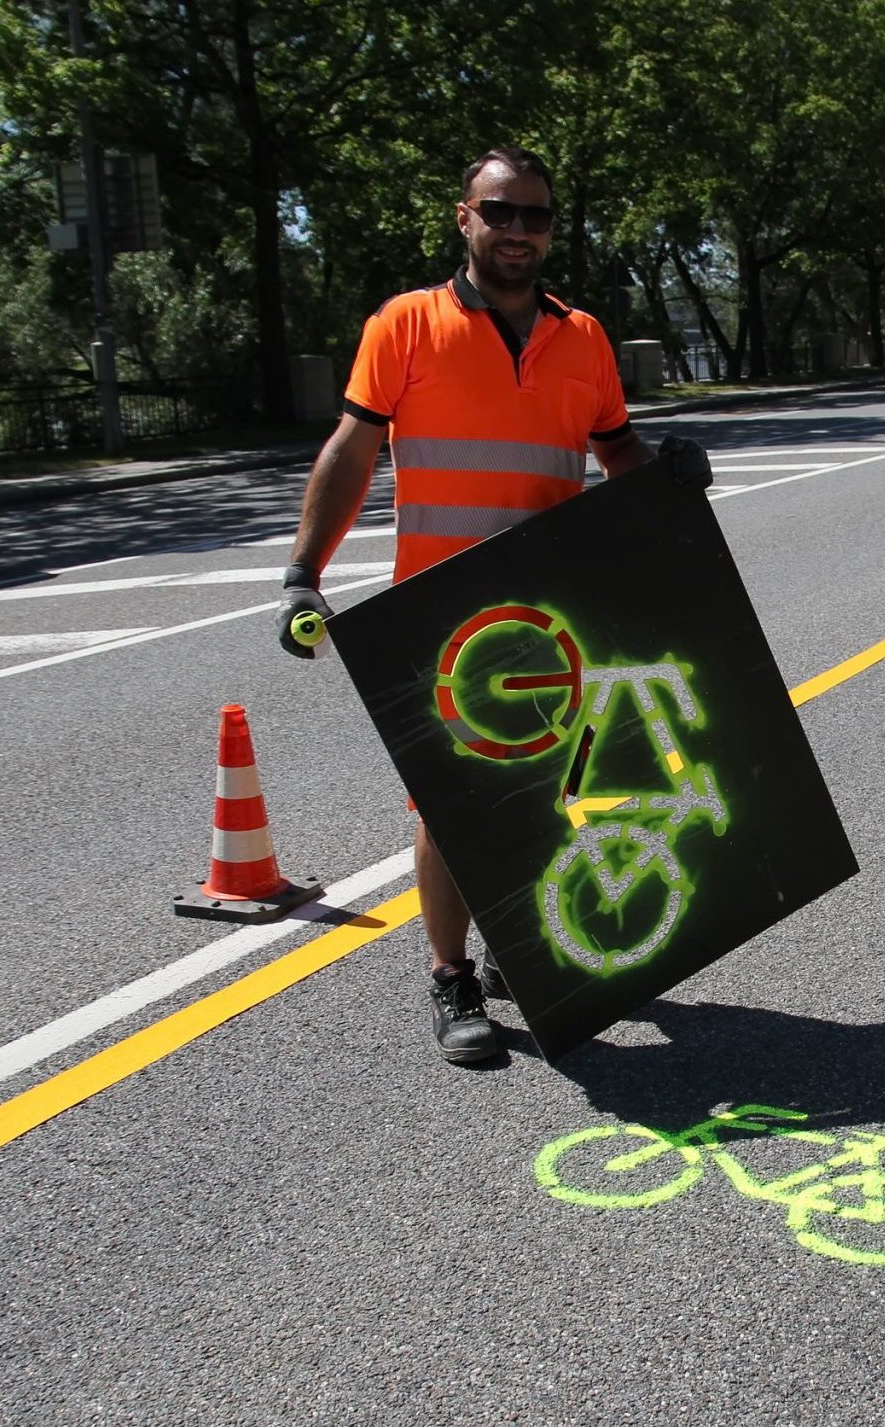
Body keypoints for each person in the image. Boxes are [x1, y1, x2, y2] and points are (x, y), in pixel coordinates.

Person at [275, 144, 707, 1067]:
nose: (517, 230)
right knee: (447, 804)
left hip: (551, 609)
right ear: (463, 217)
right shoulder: (405, 325)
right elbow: (353, 450)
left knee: (550, 782)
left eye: (534, 215)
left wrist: (666, 476)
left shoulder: (582, 337)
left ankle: (525, 945)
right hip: (441, 615)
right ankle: (450, 973)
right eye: (499, 211)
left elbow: (615, 451)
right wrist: (305, 572)